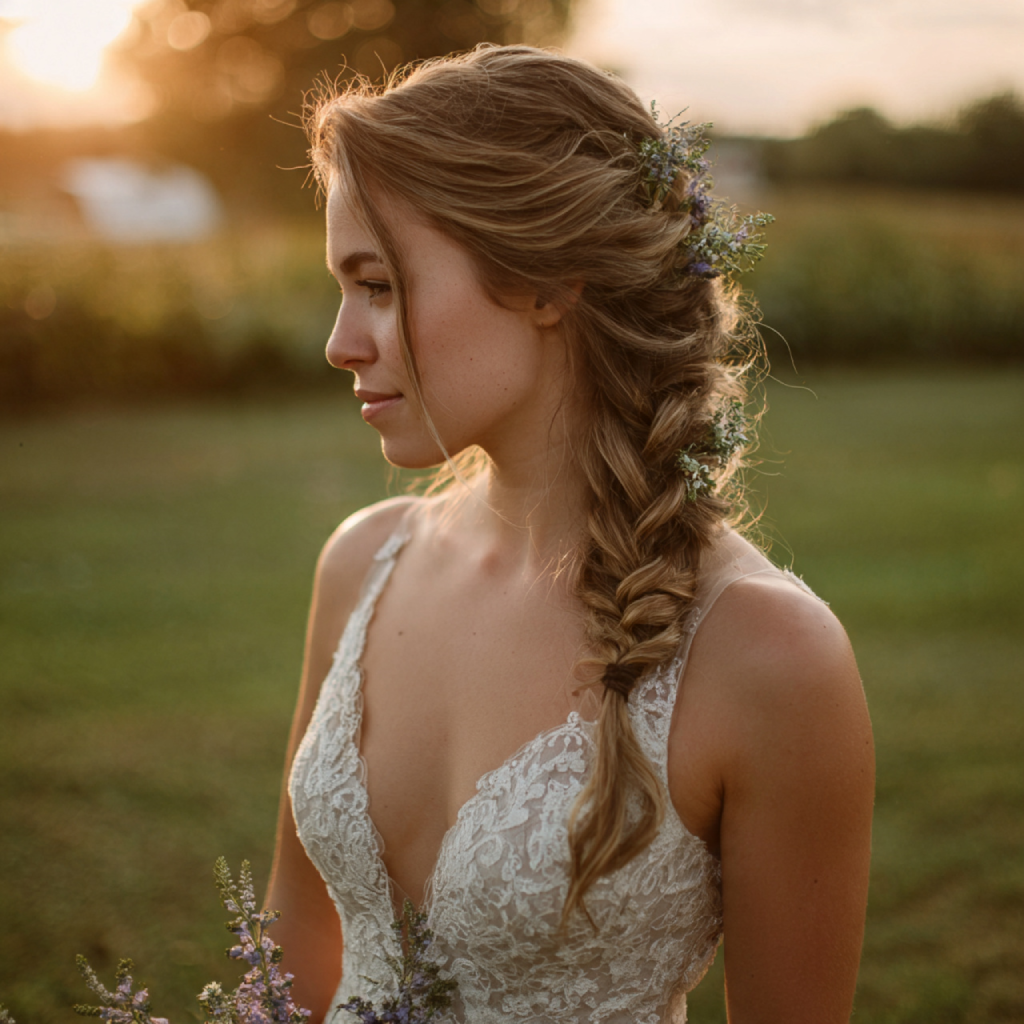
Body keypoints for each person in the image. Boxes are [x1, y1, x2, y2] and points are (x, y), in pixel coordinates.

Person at [267, 44, 875, 1024]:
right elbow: (290, 964)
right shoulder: (359, 564)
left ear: (547, 282)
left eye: (377, 285)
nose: (341, 341)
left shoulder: (766, 656)